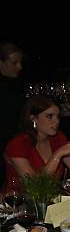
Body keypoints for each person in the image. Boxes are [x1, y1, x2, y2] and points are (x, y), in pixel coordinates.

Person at [3, 95, 70, 191]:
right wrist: (56, 156)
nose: (56, 121)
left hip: (51, 200)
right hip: (19, 201)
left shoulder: (58, 137)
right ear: (33, 118)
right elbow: (35, 186)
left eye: (58, 116)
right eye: (50, 116)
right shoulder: (17, 144)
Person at [0, 41, 26, 184]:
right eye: (14, 63)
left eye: (20, 62)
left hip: (14, 144)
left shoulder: (16, 86)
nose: (20, 67)